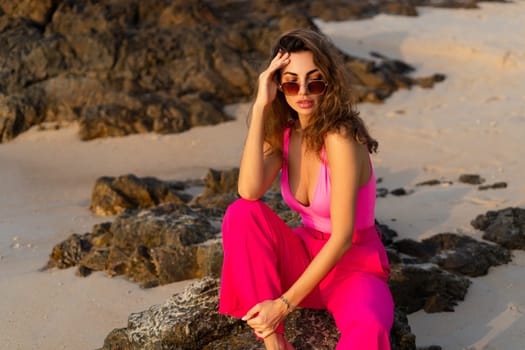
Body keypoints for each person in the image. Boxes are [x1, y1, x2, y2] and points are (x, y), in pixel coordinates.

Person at [218, 28, 394, 350]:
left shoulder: (341, 138)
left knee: (370, 328)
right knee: (242, 213)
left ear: (329, 84)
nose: (303, 92)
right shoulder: (287, 134)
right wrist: (260, 107)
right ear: (278, 86)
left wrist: (282, 305)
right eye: (290, 82)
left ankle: (277, 318)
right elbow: (248, 191)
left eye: (314, 82)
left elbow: (342, 238)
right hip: (304, 257)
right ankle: (275, 343)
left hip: (352, 265)